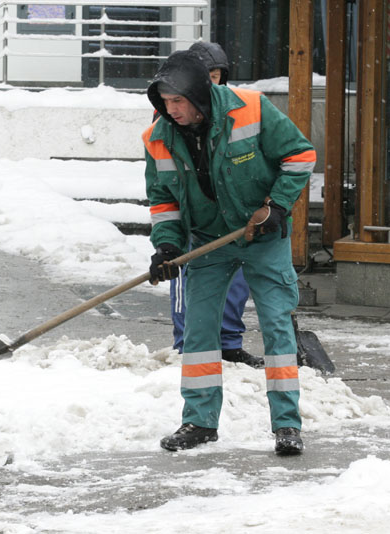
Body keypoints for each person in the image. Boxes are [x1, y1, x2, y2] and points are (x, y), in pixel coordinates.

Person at [142, 48, 316, 455]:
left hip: (262, 237)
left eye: (179, 101)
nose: (172, 111)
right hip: (207, 240)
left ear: (200, 96)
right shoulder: (158, 136)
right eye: (165, 103)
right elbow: (162, 198)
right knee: (199, 330)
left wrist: (276, 206)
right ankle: (199, 422)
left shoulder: (252, 109)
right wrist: (167, 243)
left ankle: (287, 426)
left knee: (275, 326)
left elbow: (301, 156)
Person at [169, 42, 263, 370]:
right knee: (188, 275)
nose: (212, 82)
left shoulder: (235, 109)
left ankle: (229, 343)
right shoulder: (173, 110)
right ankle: (187, 342)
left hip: (232, 213)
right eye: (205, 75)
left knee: (236, 276)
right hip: (193, 215)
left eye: (216, 75)